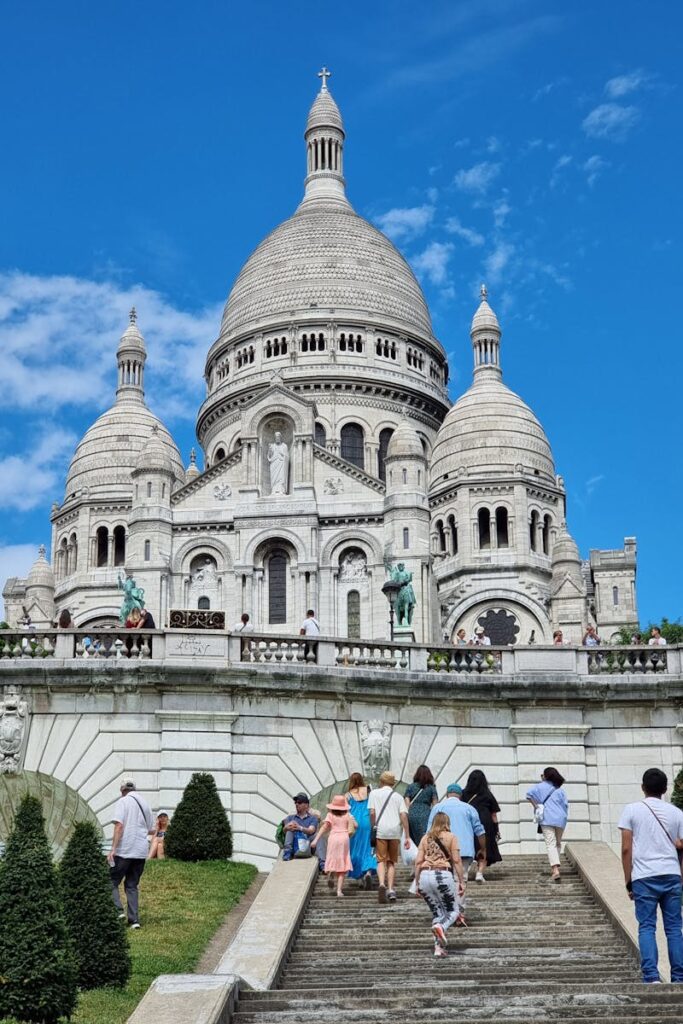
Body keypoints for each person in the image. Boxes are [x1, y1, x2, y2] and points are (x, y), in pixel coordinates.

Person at [619, 768, 683, 984]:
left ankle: (652, 977)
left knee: (647, 926)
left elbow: (626, 849)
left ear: (643, 788)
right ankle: (679, 977)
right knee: (674, 928)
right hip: (672, 874)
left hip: (644, 876)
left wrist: (628, 880)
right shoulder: (677, 813)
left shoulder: (631, 810)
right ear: (665, 789)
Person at [427, 783, 486, 923]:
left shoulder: (438, 807)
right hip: (464, 850)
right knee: (460, 880)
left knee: (442, 881)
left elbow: (428, 831)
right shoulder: (469, 808)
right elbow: (480, 830)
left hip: (441, 851)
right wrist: (483, 848)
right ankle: (459, 913)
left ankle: (446, 912)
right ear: (460, 795)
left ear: (447, 794)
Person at [415, 811, 465, 958]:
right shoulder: (451, 837)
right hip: (442, 875)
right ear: (447, 823)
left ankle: (438, 948)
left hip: (424, 875)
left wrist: (417, 882)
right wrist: (461, 881)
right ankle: (440, 926)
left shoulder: (425, 838)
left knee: (438, 913)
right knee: (453, 911)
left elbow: (418, 861)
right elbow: (456, 861)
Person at [108, 777, 154, 928]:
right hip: (140, 851)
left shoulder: (123, 802)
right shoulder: (145, 803)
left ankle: (118, 910)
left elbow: (119, 826)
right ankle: (134, 921)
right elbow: (150, 828)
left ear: (122, 790)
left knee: (110, 881)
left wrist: (113, 849)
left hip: (125, 850)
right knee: (132, 885)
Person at [368, 770, 410, 904]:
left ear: (381, 781)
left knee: (380, 860)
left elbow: (372, 813)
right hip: (394, 832)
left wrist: (373, 825)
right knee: (391, 861)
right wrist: (407, 836)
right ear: (393, 783)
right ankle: (391, 889)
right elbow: (403, 815)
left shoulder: (374, 793)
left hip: (381, 830)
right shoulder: (398, 796)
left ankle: (381, 883)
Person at [526, 767, 569, 883]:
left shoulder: (540, 786)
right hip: (561, 819)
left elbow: (528, 795)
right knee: (558, 843)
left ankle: (555, 870)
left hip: (547, 817)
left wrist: (536, 806)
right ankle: (556, 867)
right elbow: (565, 804)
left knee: (550, 843)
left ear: (546, 776)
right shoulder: (559, 789)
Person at [311, 794, 357, 897]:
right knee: (342, 866)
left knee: (332, 858)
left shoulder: (330, 815)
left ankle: (331, 870)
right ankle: (339, 891)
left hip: (333, 838)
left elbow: (324, 827)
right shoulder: (348, 815)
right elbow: (356, 825)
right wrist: (352, 821)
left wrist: (315, 840)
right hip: (344, 838)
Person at [461, 769, 502, 880]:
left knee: (468, 847)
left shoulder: (463, 793)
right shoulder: (487, 794)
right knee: (484, 848)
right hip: (485, 823)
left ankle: (465, 871)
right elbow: (493, 814)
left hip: (468, 824)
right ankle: (479, 873)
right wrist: (496, 829)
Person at [345, 772, 376, 889]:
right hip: (367, 821)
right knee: (369, 848)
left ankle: (359, 878)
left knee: (355, 850)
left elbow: (344, 810)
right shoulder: (368, 791)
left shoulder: (348, 795)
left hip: (355, 823)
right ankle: (368, 872)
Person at [404, 765, 438, 846]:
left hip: (412, 814)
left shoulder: (410, 786)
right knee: (425, 838)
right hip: (426, 814)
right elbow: (435, 805)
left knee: (412, 839)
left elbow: (406, 803)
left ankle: (415, 856)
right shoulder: (432, 788)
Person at [282, 793, 319, 861]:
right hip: (295, 845)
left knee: (318, 836)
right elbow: (284, 831)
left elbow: (311, 830)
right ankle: (287, 854)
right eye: (295, 802)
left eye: (299, 802)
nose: (296, 804)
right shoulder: (290, 817)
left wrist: (299, 828)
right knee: (290, 830)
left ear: (306, 805)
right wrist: (287, 827)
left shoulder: (313, 818)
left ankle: (322, 864)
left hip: (307, 845)